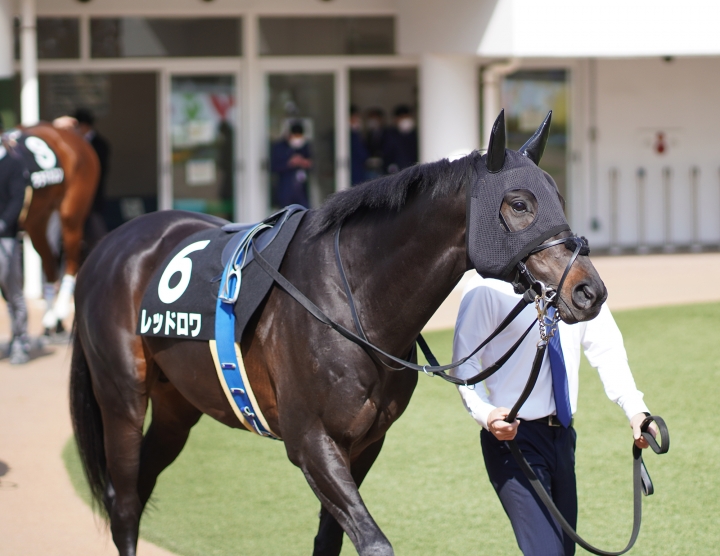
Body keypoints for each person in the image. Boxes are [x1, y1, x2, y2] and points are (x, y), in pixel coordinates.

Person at [452, 274, 658, 556]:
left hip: (563, 438)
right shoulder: (486, 286)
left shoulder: (576, 276)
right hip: (513, 442)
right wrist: (486, 414)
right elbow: (464, 365)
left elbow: (606, 348)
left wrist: (636, 411)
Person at [0, 115, 30, 364]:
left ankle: (21, 339)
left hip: (5, 238)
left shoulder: (12, 163)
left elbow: (17, 198)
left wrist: (3, 223)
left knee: (13, 292)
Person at [73, 108, 110, 248]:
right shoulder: (77, 142)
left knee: (96, 234)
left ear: (84, 126)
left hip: (93, 197)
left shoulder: (100, 144)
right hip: (77, 197)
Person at [270, 121, 312, 208]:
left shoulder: (304, 147)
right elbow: (274, 167)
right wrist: (290, 163)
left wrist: (304, 162)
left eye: (299, 136)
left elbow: (311, 164)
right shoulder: (280, 147)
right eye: (295, 136)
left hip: (301, 190)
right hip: (286, 190)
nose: (297, 139)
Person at [383, 104, 418, 174]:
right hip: (396, 173)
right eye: (402, 118)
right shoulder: (390, 135)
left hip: (414, 171)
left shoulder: (416, 135)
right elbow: (387, 154)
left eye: (407, 117)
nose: (405, 121)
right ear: (396, 119)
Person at [349, 105, 368, 186]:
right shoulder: (349, 136)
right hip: (352, 173)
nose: (357, 121)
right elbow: (362, 154)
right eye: (355, 118)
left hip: (358, 173)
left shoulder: (356, 134)